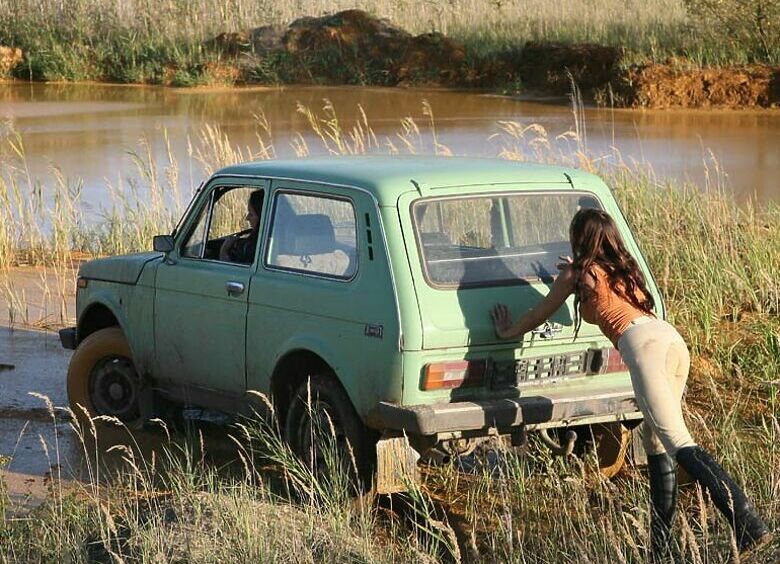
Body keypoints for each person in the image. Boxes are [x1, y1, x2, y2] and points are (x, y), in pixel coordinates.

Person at [490, 208, 771, 558]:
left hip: (644, 350)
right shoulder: (622, 268)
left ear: (580, 239)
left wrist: (507, 330)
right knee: (656, 443)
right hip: (670, 340)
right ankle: (661, 546)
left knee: (679, 442)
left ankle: (750, 526)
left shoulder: (579, 274)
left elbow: (540, 313)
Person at [220, 190, 263, 264]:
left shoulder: (256, 248)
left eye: (251, 214)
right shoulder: (277, 242)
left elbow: (232, 273)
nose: (247, 218)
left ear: (261, 217)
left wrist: (224, 251)